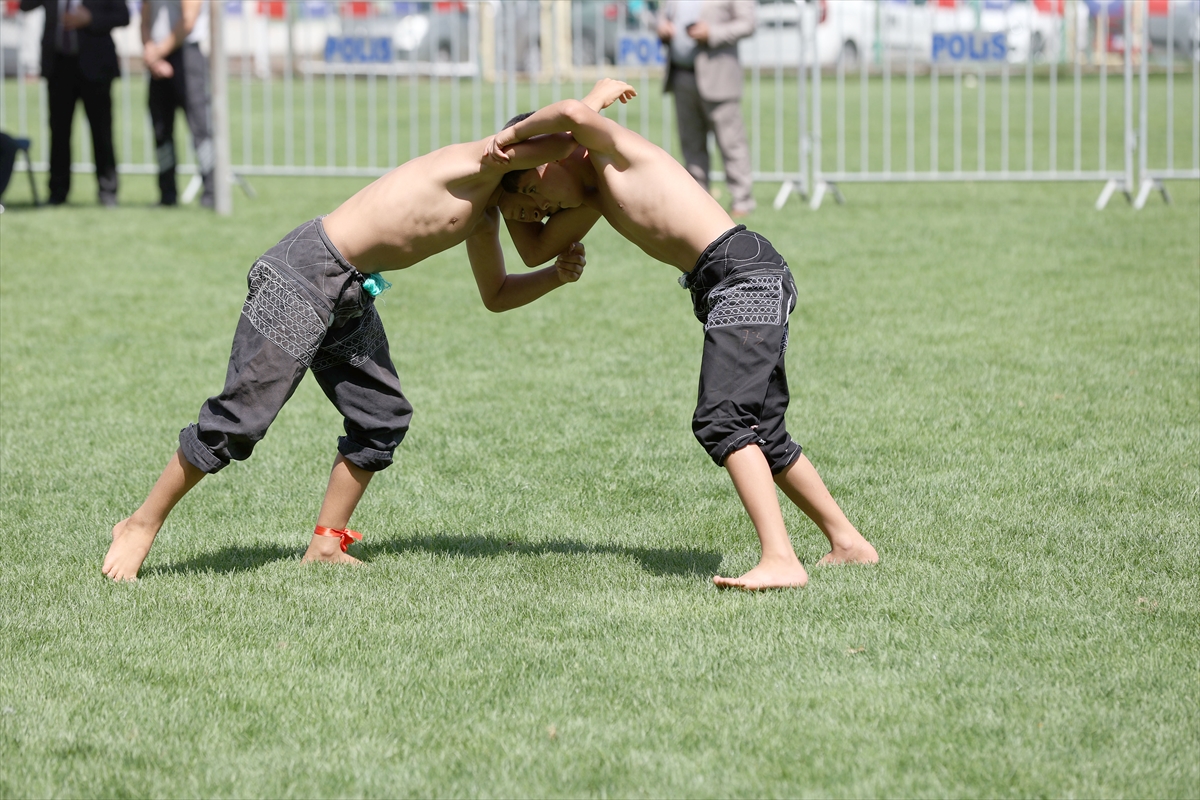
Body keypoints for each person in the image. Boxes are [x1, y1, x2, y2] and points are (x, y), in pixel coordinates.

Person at [101, 81, 635, 582]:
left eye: (547, 212)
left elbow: (496, 294)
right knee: (241, 418)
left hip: (348, 291)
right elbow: (567, 130)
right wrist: (595, 100)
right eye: (540, 198)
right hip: (306, 272)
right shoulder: (480, 161)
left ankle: (326, 544)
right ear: (528, 160)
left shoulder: (483, 217)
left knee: (382, 415)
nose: (540, 213)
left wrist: (554, 276)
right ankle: (139, 524)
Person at [490, 80, 878, 590]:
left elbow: (569, 114)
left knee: (722, 419)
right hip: (730, 283)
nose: (539, 207)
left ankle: (781, 559)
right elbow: (534, 251)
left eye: (532, 191)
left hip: (743, 275)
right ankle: (848, 544)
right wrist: (503, 179)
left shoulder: (612, 152)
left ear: (551, 157)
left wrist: (509, 141)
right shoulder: (593, 198)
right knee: (762, 430)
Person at [19, 0, 129, 207]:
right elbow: (25, 5)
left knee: (101, 131)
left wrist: (91, 19)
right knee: (59, 132)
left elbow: (123, 16)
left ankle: (108, 191)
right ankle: (58, 192)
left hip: (95, 67)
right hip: (59, 65)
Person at [656, 0, 756, 218]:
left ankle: (742, 200)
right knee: (691, 143)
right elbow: (664, 15)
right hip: (682, 75)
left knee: (731, 142)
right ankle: (698, 201)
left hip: (719, 77)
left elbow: (748, 23)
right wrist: (662, 27)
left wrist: (712, 32)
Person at [142, 0, 214, 208]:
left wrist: (157, 52)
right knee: (161, 131)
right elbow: (144, 20)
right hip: (158, 55)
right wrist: (152, 53)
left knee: (201, 130)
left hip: (187, 54)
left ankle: (212, 191)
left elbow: (188, 20)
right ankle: (167, 194)